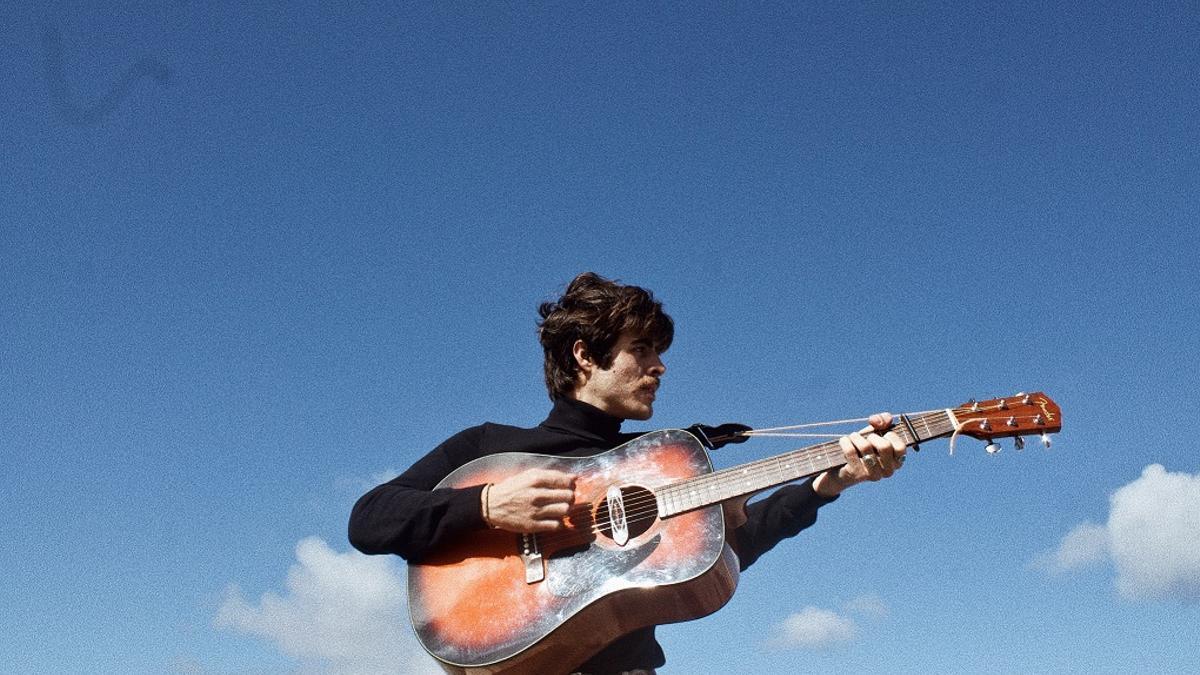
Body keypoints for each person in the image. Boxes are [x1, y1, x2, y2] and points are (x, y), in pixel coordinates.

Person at [348, 272, 905, 675]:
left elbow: (723, 550)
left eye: (659, 352)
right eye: (641, 350)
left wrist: (832, 481)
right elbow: (369, 520)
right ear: (586, 355)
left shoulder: (662, 459)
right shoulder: (490, 448)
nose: (659, 366)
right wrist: (486, 506)